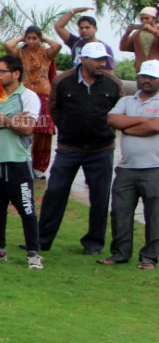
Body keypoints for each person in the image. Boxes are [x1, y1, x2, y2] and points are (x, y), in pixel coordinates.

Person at [36, 41, 121, 255]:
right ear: (83, 60)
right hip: (69, 147)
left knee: (100, 197)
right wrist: (66, 128)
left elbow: (117, 112)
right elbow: (55, 109)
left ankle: (93, 243)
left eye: (104, 59)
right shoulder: (63, 81)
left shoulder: (113, 83)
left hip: (101, 149)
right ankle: (41, 239)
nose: (102, 63)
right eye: (97, 60)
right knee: (55, 192)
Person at [0, 54, 43, 268]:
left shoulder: (29, 97)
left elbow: (26, 127)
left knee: (26, 208)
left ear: (15, 73)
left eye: (2, 71)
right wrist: (10, 120)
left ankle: (33, 253)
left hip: (18, 163)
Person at [103, 60, 159, 268]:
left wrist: (128, 126)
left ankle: (149, 257)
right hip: (127, 167)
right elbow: (112, 120)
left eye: (152, 77)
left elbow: (155, 126)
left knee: (154, 215)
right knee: (120, 212)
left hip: (155, 168)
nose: (146, 80)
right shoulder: (127, 100)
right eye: (143, 76)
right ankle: (120, 253)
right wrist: (144, 122)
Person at [5, 26, 62, 178]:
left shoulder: (46, 53)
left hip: (43, 95)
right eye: (28, 38)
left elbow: (57, 46)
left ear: (39, 39)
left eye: (34, 38)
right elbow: (8, 45)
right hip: (26, 94)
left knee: (43, 131)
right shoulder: (20, 53)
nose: (31, 41)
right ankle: (23, 161)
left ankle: (40, 167)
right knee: (24, 126)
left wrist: (44, 39)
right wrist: (20, 38)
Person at [119, 6, 159, 72]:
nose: (144, 21)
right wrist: (127, 34)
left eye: (147, 18)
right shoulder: (137, 34)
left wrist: (152, 30)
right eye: (142, 19)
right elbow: (123, 48)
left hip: (157, 69)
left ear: (154, 19)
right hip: (141, 69)